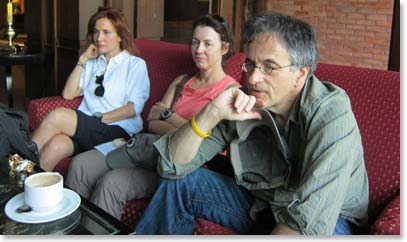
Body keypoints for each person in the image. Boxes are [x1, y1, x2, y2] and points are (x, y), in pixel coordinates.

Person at [134, 11, 369, 235]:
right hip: (264, 203)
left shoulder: (332, 112)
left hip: (332, 217)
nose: (253, 78)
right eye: (251, 64)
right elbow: (171, 165)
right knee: (183, 183)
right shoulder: (245, 100)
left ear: (301, 74)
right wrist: (211, 112)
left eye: (269, 67)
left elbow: (308, 221)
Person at [65, 14, 238, 220]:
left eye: (208, 44)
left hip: (177, 165)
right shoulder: (181, 81)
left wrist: (168, 115)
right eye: (195, 42)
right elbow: (152, 122)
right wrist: (186, 129)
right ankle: (71, 229)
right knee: (80, 166)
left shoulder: (231, 92)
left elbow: (206, 144)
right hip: (145, 147)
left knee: (111, 183)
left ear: (224, 48)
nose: (199, 50)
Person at [31, 7, 150, 172]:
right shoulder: (93, 62)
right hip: (87, 127)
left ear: (119, 36)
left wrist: (100, 118)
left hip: (116, 129)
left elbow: (133, 108)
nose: (99, 38)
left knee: (58, 116)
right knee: (54, 147)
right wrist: (83, 59)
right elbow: (68, 94)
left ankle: (19, 162)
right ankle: (28, 189)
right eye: (96, 32)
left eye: (106, 32)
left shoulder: (135, 65)